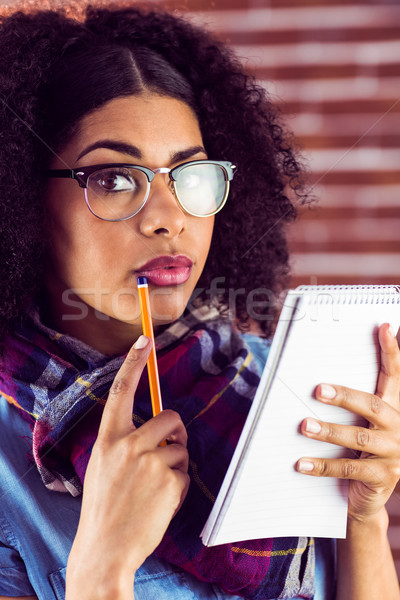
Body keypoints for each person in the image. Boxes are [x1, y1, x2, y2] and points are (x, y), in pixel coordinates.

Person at [0, 2, 399, 599]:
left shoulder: (285, 385)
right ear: (25, 202)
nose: (169, 219)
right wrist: (101, 568)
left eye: (191, 175)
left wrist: (363, 519)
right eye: (113, 178)